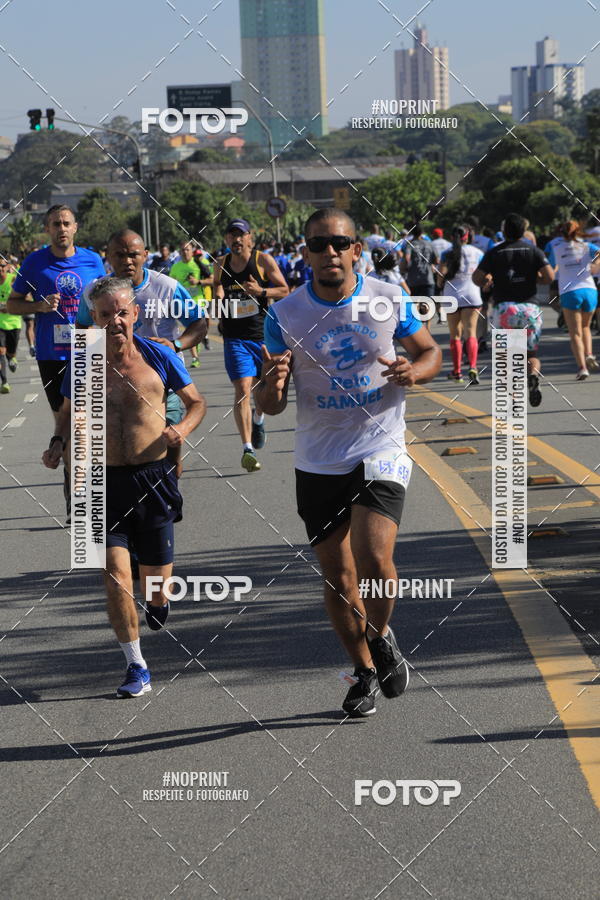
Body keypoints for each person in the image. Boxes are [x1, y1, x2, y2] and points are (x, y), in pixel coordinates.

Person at [256, 208, 442, 718]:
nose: (329, 252)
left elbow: (430, 352)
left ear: (356, 249)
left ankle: (381, 636)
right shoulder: (284, 315)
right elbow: (269, 405)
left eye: (339, 243)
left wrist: (414, 371)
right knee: (339, 580)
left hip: (380, 445)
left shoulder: (386, 298)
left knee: (374, 556)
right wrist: (271, 389)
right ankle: (364, 670)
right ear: (306, 253)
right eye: (318, 244)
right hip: (318, 458)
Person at [43, 277, 206, 697]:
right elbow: (68, 409)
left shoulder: (160, 355)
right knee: (115, 575)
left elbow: (196, 403)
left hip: (153, 478)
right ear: (94, 320)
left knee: (155, 585)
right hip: (102, 481)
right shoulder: (84, 362)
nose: (114, 321)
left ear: (134, 313)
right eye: (104, 315)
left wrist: (181, 429)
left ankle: (157, 601)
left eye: (121, 312)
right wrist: (59, 443)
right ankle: (136, 666)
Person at [77, 229, 207, 479]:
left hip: (162, 385)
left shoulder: (166, 288)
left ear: (146, 255)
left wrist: (176, 344)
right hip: (113, 383)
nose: (127, 261)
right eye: (119, 255)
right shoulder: (94, 292)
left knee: (169, 455)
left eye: (133, 255)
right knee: (122, 455)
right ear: (108, 257)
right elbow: (81, 327)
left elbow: (199, 323)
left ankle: (166, 503)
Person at [6, 205, 105, 519]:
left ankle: (88, 487)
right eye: (55, 224)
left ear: (76, 227)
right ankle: (75, 488)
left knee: (88, 423)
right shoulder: (35, 263)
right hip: (53, 355)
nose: (61, 229)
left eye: (66, 223)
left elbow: (109, 300)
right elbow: (11, 304)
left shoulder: (93, 260)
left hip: (90, 349)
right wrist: (41, 305)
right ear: (47, 229)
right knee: (70, 424)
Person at [213, 218, 289, 472]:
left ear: (249, 238)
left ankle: (259, 418)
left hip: (263, 337)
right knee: (243, 388)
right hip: (234, 337)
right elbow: (218, 287)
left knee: (263, 388)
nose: (236, 239)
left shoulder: (262, 261)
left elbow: (284, 289)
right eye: (231, 235)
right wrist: (219, 299)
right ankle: (247, 449)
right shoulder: (221, 264)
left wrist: (261, 292)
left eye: (240, 235)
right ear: (226, 240)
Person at [473, 213, 554, 406]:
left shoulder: (495, 252)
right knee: (531, 356)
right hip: (530, 309)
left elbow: (477, 277)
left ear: (504, 231)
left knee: (507, 358)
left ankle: (513, 400)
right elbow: (549, 276)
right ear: (523, 231)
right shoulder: (533, 250)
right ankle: (533, 374)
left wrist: (487, 281)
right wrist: (536, 279)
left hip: (504, 310)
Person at [547, 220, 600, 379]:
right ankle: (589, 353)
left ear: (561, 233)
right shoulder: (586, 246)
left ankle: (582, 367)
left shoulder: (556, 248)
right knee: (586, 327)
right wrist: (595, 265)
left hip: (569, 291)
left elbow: (550, 268)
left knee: (574, 333)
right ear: (578, 232)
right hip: (590, 290)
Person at [437, 225, 484, 383]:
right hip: (472, 295)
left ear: (452, 237)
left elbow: (439, 280)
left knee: (455, 335)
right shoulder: (477, 253)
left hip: (451, 297)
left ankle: (457, 372)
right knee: (470, 333)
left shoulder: (446, 254)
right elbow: (484, 274)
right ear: (468, 237)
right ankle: (473, 366)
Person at [169, 241, 212, 367]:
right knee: (191, 328)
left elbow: (212, 280)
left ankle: (201, 336)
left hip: (200, 299)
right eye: (182, 250)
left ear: (192, 250)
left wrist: (198, 281)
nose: (185, 252)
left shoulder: (200, 263)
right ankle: (195, 358)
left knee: (206, 321)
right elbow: (170, 285)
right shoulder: (176, 267)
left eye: (187, 250)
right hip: (185, 302)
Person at [403, 225, 437, 330]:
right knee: (428, 303)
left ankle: (419, 328)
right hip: (428, 278)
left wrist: (406, 268)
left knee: (416, 304)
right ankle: (428, 328)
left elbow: (407, 259)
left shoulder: (410, 244)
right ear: (422, 233)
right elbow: (437, 260)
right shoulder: (429, 244)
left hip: (414, 279)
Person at [0, 259, 18, 393]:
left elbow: (26, 297)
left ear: (7, 267)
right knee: (1, 351)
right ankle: (4, 382)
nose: (0, 268)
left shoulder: (14, 280)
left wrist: (10, 306)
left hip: (13, 322)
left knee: (10, 352)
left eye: (2, 265)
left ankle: (12, 356)